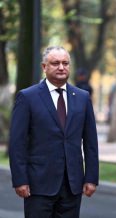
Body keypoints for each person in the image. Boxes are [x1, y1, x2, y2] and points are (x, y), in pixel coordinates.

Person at [9, 46, 99, 218]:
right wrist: (20, 180)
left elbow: (90, 142)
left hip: (72, 185)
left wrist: (91, 177)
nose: (61, 67)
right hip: (38, 185)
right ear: (44, 67)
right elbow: (17, 143)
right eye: (55, 63)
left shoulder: (82, 97)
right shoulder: (27, 97)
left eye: (65, 63)